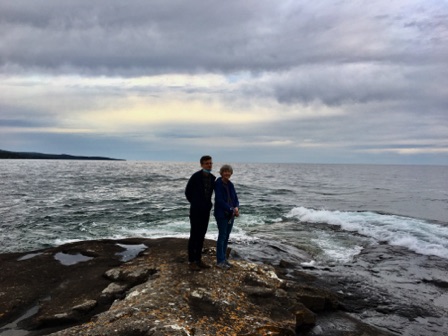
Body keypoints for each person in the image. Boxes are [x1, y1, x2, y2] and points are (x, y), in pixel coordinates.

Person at [185, 155, 216, 271]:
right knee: (194, 235)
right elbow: (188, 192)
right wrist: (195, 203)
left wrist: (208, 205)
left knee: (202, 235)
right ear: (202, 164)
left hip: (205, 211)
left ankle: (198, 259)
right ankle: (191, 261)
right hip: (196, 211)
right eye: (207, 163)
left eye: (210, 163)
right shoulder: (195, 177)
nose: (209, 165)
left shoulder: (213, 178)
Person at [214, 164, 239, 270]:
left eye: (229, 172)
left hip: (230, 214)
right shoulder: (218, 183)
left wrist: (237, 207)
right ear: (221, 173)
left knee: (227, 236)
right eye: (225, 171)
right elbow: (219, 200)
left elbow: (235, 198)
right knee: (222, 236)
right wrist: (231, 209)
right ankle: (220, 261)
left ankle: (224, 259)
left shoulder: (230, 184)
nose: (227, 173)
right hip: (222, 214)